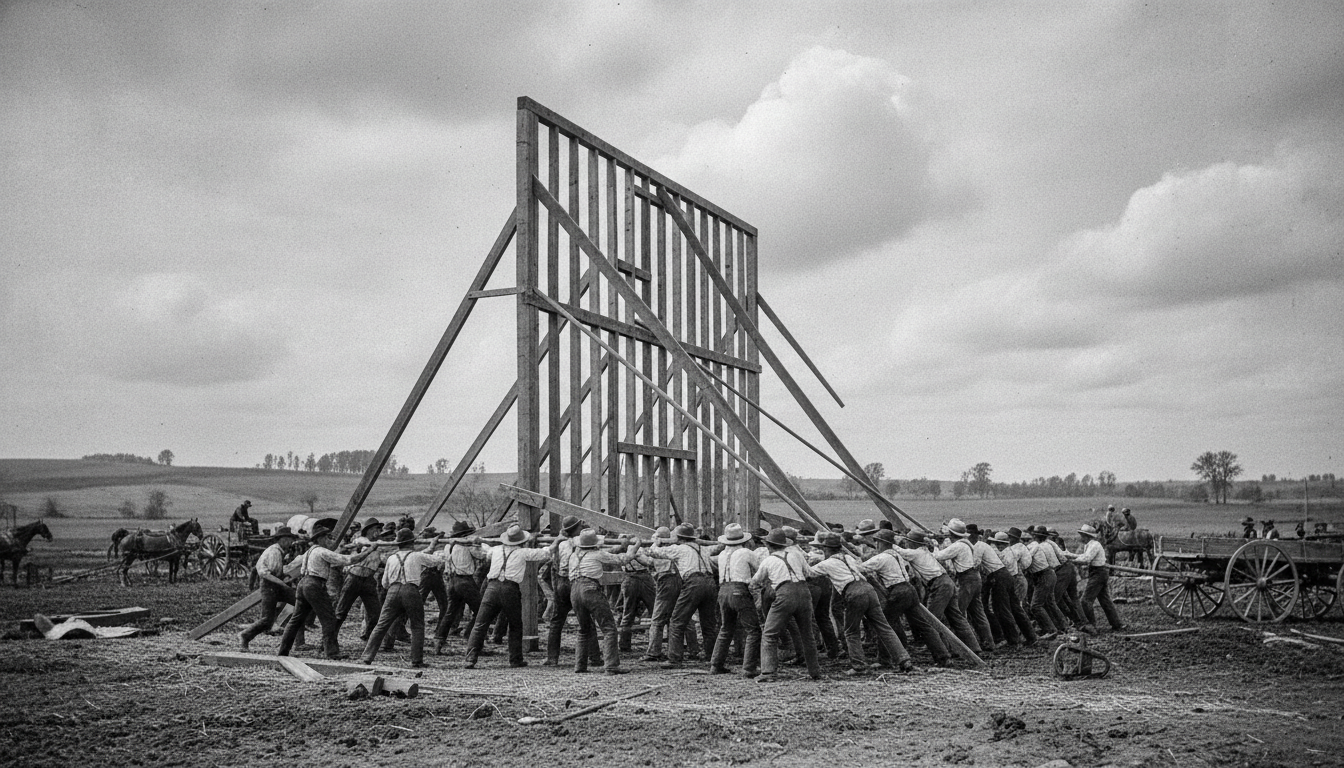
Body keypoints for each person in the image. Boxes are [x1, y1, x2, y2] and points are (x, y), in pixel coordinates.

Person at [809, 532, 912, 674]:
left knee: (851, 631)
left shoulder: (826, 564)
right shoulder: (848, 557)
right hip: (869, 590)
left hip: (854, 593)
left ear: (826, 549)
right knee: (884, 627)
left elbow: (809, 574)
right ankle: (904, 660)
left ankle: (859, 666)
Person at [464, 525, 557, 669]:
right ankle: (515, 659)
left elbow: (485, 550)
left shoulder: (495, 550)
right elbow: (544, 554)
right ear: (521, 541)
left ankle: (470, 658)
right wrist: (556, 542)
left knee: (480, 623)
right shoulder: (523, 552)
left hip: (492, 588)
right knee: (515, 625)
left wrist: (481, 539)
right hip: (510, 589)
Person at [278, 527, 376, 660]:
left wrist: (347, 548)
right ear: (321, 539)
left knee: (296, 619)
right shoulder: (322, 551)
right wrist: (370, 550)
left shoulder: (310, 551)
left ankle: (283, 651)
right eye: (327, 538)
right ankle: (332, 652)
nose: (329, 540)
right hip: (314, 584)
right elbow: (350, 561)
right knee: (329, 619)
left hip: (303, 583)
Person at [861, 528, 951, 667]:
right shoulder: (897, 556)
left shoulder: (881, 558)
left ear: (881, 543)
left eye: (877, 542)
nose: (876, 545)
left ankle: (885, 660)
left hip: (898, 592)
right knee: (924, 625)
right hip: (910, 590)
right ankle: (943, 657)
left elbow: (861, 568)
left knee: (885, 625)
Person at [359, 528, 445, 667]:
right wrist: (446, 550)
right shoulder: (417, 555)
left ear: (398, 543)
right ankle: (416, 660)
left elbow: (384, 582)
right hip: (411, 590)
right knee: (417, 626)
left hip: (392, 591)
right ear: (412, 542)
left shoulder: (391, 558)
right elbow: (436, 561)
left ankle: (367, 657)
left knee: (381, 625)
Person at [750, 528, 822, 682]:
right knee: (807, 634)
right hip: (804, 592)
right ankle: (815, 671)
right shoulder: (796, 554)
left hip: (784, 593)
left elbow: (755, 581)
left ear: (769, 545)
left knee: (769, 634)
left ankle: (768, 672)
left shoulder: (768, 561)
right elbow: (809, 573)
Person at [644, 523, 719, 669]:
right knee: (708, 624)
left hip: (693, 583)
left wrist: (656, 542)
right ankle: (713, 657)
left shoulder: (678, 549)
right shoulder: (703, 548)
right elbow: (718, 546)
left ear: (678, 538)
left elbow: (654, 552)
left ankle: (674, 658)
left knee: (677, 621)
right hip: (710, 584)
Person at [565, 528, 640, 674]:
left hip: (574, 590)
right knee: (609, 628)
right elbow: (623, 559)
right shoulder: (597, 554)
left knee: (583, 629)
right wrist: (636, 545)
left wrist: (621, 546)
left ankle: (580, 666)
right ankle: (611, 666)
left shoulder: (574, 556)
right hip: (590, 589)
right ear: (595, 544)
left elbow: (610, 551)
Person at [895, 530, 982, 654]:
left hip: (940, 585)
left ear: (912, 543)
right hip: (947, 582)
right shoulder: (924, 551)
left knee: (932, 619)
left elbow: (899, 551)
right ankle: (974, 647)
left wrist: (890, 541)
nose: (907, 544)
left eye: (908, 541)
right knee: (956, 617)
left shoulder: (915, 553)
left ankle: (942, 648)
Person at [933, 519, 995, 653]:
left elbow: (939, 556)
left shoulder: (958, 546)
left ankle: (958, 647)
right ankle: (988, 642)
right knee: (978, 612)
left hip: (967, 580)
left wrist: (934, 545)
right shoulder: (966, 544)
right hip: (975, 578)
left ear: (951, 533)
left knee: (958, 614)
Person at [708, 523, 761, 677]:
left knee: (726, 628)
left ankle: (716, 664)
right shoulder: (746, 552)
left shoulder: (722, 555)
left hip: (723, 590)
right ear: (743, 540)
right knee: (753, 629)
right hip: (740, 589)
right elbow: (760, 568)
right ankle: (749, 668)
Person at [238, 526, 299, 651]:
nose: (290, 542)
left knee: (300, 603)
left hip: (276, 585)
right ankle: (245, 636)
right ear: (281, 540)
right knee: (267, 620)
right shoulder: (274, 552)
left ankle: (298, 642)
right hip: (269, 586)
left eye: (290, 539)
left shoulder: (280, 551)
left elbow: (277, 572)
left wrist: (284, 577)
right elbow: (266, 574)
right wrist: (282, 583)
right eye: (288, 539)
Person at [433, 520, 486, 655]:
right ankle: (472, 638)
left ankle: (438, 641)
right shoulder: (468, 546)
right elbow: (482, 555)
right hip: (465, 581)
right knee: (482, 611)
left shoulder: (448, 547)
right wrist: (478, 543)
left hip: (452, 581)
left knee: (450, 612)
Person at [1064, 524, 1126, 632]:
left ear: (1086, 536)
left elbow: (1086, 559)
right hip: (1097, 572)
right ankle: (1117, 624)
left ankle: (1091, 625)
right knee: (1105, 600)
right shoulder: (1089, 545)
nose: (1080, 537)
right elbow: (1083, 556)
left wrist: (1071, 560)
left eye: (1081, 535)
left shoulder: (1094, 545)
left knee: (1085, 600)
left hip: (1098, 573)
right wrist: (1068, 554)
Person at [544, 515, 588, 667]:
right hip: (575, 581)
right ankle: (594, 657)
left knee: (557, 621)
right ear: (576, 529)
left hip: (561, 582)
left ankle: (552, 658)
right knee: (585, 619)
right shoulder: (582, 541)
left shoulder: (559, 543)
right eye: (580, 526)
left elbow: (553, 561)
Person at [334, 518, 385, 641]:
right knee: (341, 612)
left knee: (375, 614)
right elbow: (354, 548)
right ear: (369, 530)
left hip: (368, 580)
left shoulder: (379, 544)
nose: (378, 532)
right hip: (354, 578)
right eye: (376, 529)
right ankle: (328, 640)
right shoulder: (360, 541)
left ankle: (368, 637)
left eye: (379, 530)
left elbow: (383, 560)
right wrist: (365, 547)